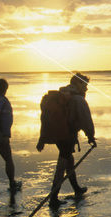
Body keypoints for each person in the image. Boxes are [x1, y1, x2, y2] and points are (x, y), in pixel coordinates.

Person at [38, 72, 96, 208]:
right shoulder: (77, 99)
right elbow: (86, 120)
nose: (86, 88)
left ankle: (76, 188)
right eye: (85, 85)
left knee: (69, 160)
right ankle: (53, 197)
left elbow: (44, 117)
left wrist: (42, 137)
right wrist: (91, 136)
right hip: (67, 135)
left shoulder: (60, 95)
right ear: (77, 84)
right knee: (62, 164)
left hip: (59, 135)